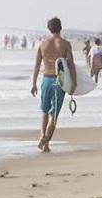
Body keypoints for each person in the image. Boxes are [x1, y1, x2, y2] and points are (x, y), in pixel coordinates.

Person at [30, 17, 76, 153]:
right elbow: (71, 65)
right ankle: (45, 141)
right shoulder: (65, 44)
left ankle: (44, 141)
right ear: (60, 27)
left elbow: (37, 65)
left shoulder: (42, 44)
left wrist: (33, 83)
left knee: (44, 111)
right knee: (54, 115)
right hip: (59, 81)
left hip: (45, 79)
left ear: (49, 29)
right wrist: (73, 83)